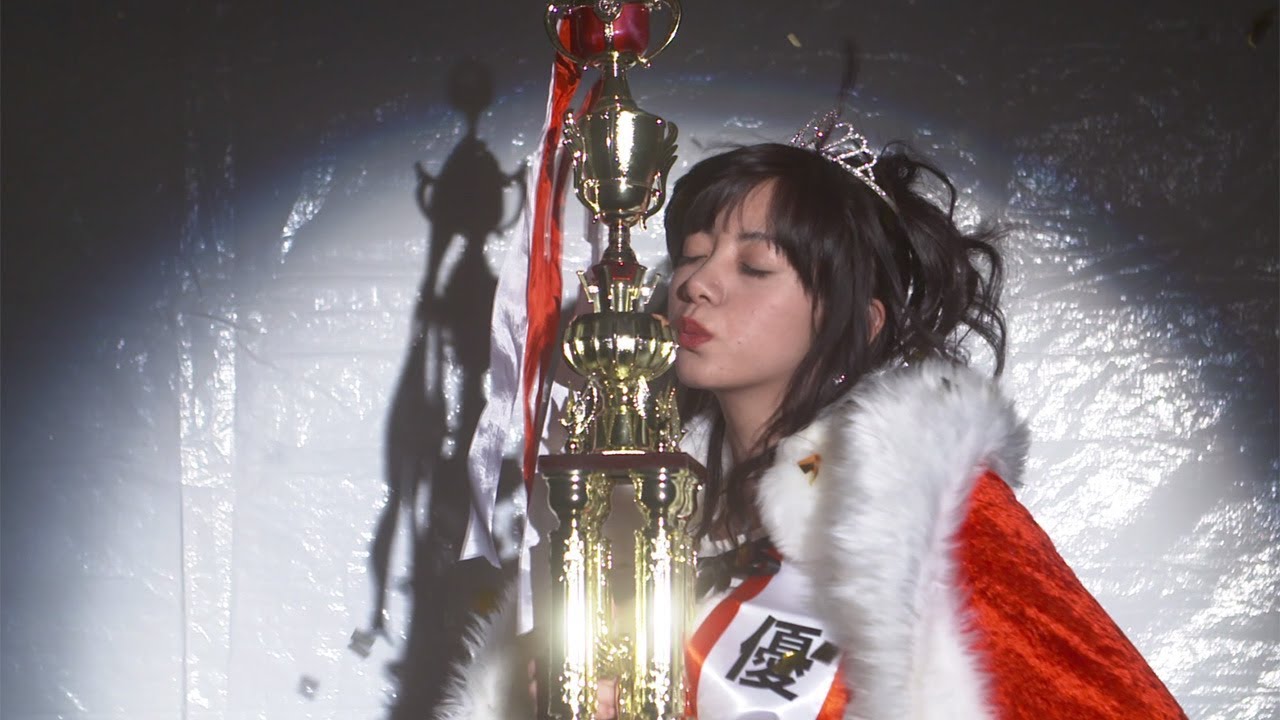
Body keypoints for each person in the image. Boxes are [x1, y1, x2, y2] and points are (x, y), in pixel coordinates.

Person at [435, 121, 1188, 720]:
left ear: (856, 321)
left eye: (754, 267)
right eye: (693, 255)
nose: (697, 283)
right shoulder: (644, 520)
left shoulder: (928, 518)